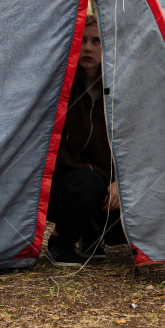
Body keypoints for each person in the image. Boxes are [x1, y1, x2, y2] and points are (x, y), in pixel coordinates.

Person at [46, 14, 124, 267]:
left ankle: (91, 233)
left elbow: (131, 144)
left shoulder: (117, 91)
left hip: (105, 187)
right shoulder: (61, 86)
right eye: (82, 40)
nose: (88, 47)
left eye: (97, 41)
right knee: (87, 184)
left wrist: (121, 183)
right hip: (64, 187)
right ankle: (60, 241)